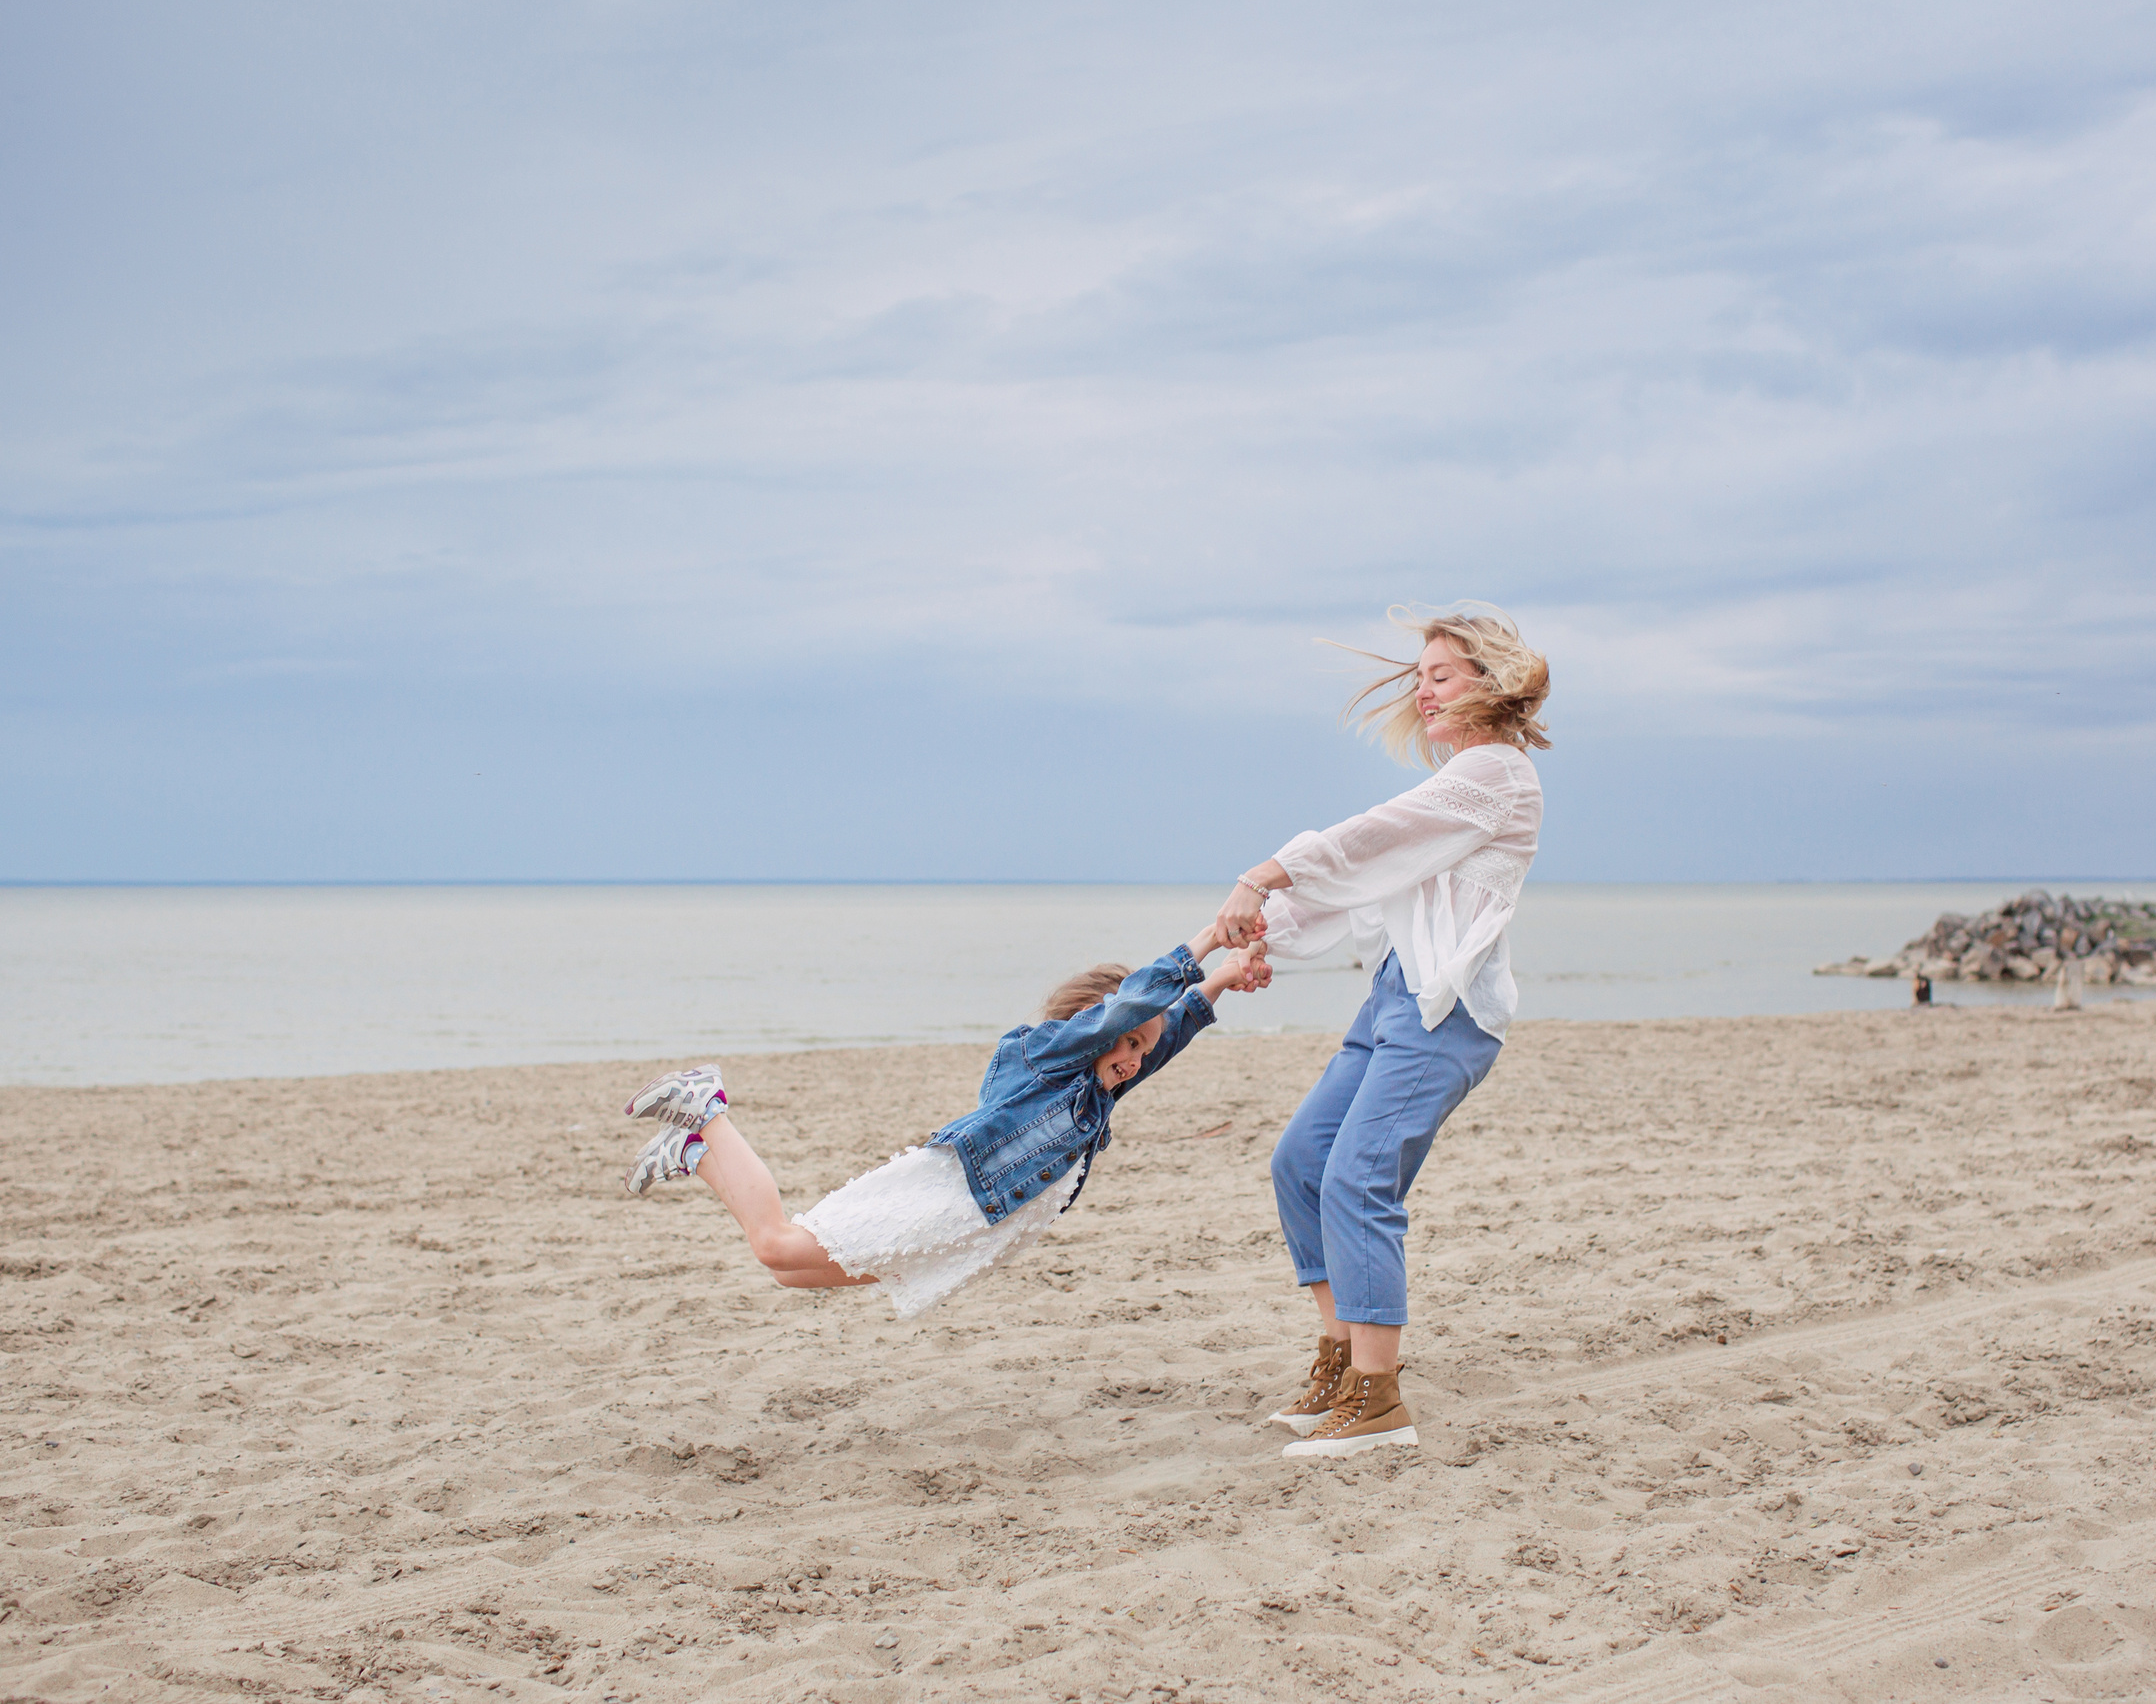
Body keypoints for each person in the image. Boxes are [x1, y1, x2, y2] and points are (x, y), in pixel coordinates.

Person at [1209, 604, 1548, 1458]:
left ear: (1491, 682)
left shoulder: (1497, 774)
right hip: (1396, 999)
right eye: (1419, 678)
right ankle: (1340, 1355)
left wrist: (1261, 874)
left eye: (1441, 675)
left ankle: (1378, 1398)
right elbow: (1367, 884)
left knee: (1359, 1178)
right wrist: (1252, 945)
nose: (1423, 692)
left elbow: (1370, 842)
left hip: (1449, 1012)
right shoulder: (1459, 781)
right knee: (1302, 1160)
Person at [617, 924, 1270, 1318]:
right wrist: (1210, 939)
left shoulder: (1099, 1092)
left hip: (972, 1228)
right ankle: (709, 1117)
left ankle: (695, 1149)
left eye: (1140, 1049)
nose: (1132, 1058)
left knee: (789, 1270)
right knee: (778, 1247)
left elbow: (1165, 1030)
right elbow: (1133, 1007)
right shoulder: (1045, 1057)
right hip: (946, 1197)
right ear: (1090, 1028)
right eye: (1125, 1041)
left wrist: (1221, 980)